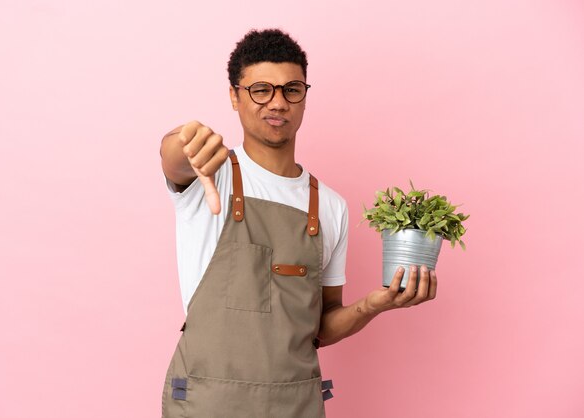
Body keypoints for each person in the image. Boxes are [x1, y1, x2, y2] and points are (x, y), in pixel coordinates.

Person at [160, 29, 437, 418]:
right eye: (261, 89)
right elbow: (175, 158)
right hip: (207, 402)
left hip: (297, 406)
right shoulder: (212, 173)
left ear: (305, 96)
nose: (278, 102)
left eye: (291, 89)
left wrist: (375, 304)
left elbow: (322, 326)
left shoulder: (329, 206)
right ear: (234, 96)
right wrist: (182, 138)